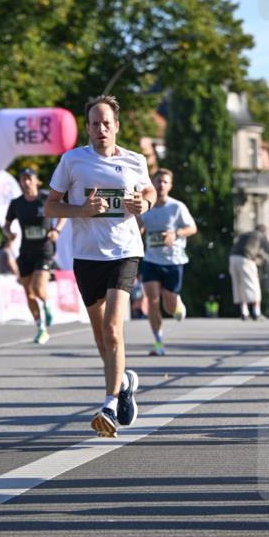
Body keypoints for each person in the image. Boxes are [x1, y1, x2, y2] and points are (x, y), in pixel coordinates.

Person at [44, 93, 156, 438]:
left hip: (124, 251)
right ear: (88, 128)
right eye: (95, 124)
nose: (101, 129)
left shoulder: (135, 160)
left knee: (112, 328)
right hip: (87, 256)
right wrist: (81, 211)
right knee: (100, 335)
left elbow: (149, 192)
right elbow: (50, 206)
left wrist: (144, 205)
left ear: (116, 126)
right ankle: (123, 382)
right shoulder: (72, 161)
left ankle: (109, 404)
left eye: (106, 123)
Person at [139, 168, 197, 355]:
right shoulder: (146, 206)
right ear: (153, 183)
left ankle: (176, 302)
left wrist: (175, 234)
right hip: (151, 260)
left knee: (170, 307)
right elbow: (139, 227)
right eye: (158, 181)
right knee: (152, 300)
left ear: (170, 186)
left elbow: (192, 228)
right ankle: (158, 343)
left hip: (173, 261)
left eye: (165, 182)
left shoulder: (177, 207)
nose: (161, 185)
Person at [4, 167, 65, 344]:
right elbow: (6, 225)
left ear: (37, 181)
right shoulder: (16, 203)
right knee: (29, 293)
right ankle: (41, 328)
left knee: (38, 288)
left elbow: (63, 214)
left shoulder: (45, 198)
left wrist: (56, 230)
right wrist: (9, 234)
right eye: (23, 179)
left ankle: (47, 304)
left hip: (44, 250)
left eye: (29, 178)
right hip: (25, 252)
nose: (26, 182)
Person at [229, 224, 269, 322]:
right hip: (246, 258)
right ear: (264, 231)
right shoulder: (260, 235)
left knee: (239, 285)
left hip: (233, 258)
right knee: (253, 285)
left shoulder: (246, 234)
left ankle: (244, 312)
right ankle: (256, 312)